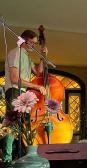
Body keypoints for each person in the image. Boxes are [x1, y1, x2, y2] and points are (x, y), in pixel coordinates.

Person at [3, 30, 47, 165]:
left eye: (35, 43)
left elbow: (38, 71)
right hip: (14, 91)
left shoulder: (26, 56)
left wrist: (43, 57)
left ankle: (23, 157)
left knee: (24, 126)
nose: (34, 45)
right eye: (32, 43)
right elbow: (15, 79)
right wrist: (36, 86)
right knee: (12, 124)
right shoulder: (16, 52)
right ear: (24, 40)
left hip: (22, 91)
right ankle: (7, 159)